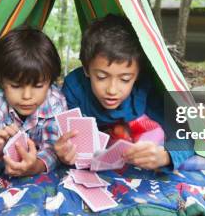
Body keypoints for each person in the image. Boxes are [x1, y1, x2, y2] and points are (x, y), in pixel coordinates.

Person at [55, 14, 196, 170]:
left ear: (137, 75)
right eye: (101, 77)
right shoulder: (75, 89)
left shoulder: (144, 90)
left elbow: (185, 134)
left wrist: (165, 156)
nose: (112, 90)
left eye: (125, 79)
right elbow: (61, 139)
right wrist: (63, 153)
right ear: (86, 69)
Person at [0, 25, 66, 177]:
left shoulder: (56, 101)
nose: (26, 96)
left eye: (38, 86)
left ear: (51, 82)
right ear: (0, 81)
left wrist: (34, 167)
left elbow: (53, 150)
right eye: (16, 86)